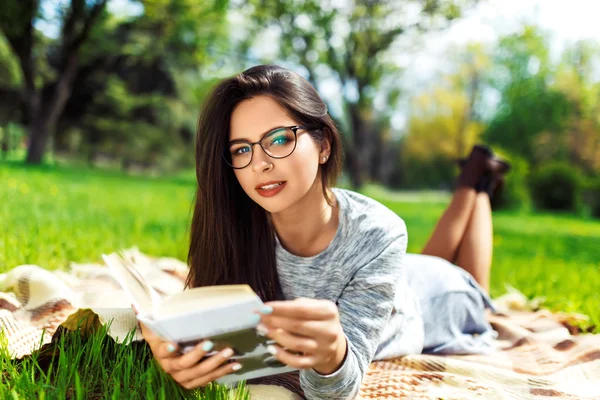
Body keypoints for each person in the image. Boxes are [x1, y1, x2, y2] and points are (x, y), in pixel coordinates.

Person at [139, 64, 510, 400]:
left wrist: (333, 355)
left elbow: (339, 390)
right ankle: (476, 177)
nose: (261, 164)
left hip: (433, 301)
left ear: (323, 145)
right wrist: (173, 350)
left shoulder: (380, 232)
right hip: (400, 272)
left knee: (471, 283)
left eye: (279, 139)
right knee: (429, 259)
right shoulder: (230, 226)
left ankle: (477, 183)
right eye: (241, 150)